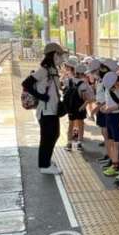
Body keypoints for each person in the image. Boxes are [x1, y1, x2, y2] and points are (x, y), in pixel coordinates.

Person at [21, 42, 65, 174]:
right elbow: (26, 83)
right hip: (45, 111)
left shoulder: (53, 70)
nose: (62, 58)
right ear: (54, 55)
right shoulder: (44, 70)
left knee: (54, 135)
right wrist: (40, 96)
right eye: (60, 55)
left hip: (52, 109)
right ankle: (44, 166)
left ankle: (46, 161)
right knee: (47, 137)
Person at [64, 63, 93, 151]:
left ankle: (69, 143)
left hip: (70, 107)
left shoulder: (68, 81)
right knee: (81, 124)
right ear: (82, 74)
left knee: (70, 125)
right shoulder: (83, 84)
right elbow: (87, 98)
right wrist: (84, 105)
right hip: (80, 107)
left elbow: (64, 91)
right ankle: (79, 143)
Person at [101, 71, 119, 177]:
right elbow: (109, 102)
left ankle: (116, 166)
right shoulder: (109, 88)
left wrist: (110, 109)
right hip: (110, 116)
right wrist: (105, 108)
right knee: (111, 140)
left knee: (117, 143)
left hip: (117, 117)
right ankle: (113, 162)